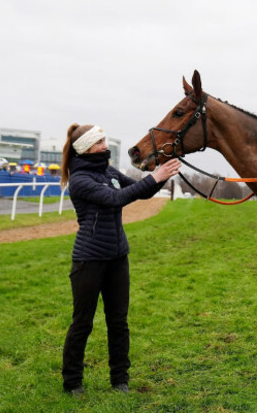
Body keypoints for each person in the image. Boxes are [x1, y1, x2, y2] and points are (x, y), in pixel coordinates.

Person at [60, 123, 181, 395]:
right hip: (89, 260)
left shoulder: (107, 171)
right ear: (84, 148)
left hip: (118, 258)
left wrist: (161, 175)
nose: (105, 146)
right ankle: (72, 383)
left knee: (118, 322)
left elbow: (141, 191)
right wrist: (155, 176)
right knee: (83, 323)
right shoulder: (80, 180)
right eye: (99, 142)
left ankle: (120, 380)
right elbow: (116, 199)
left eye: (103, 141)